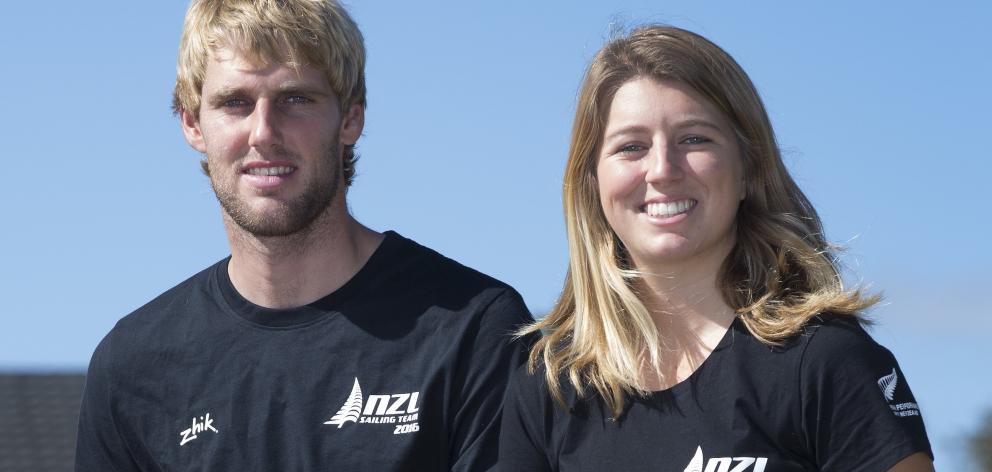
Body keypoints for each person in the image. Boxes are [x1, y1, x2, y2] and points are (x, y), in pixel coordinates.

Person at [74, 0, 534, 470]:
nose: (264, 132)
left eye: (296, 99)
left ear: (350, 119)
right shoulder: (132, 366)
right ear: (192, 124)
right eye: (235, 102)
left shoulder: (475, 328)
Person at [499, 25, 933, 472]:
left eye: (694, 139)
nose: (662, 170)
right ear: (592, 183)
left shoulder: (825, 361)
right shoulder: (551, 387)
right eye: (631, 147)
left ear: (749, 170)